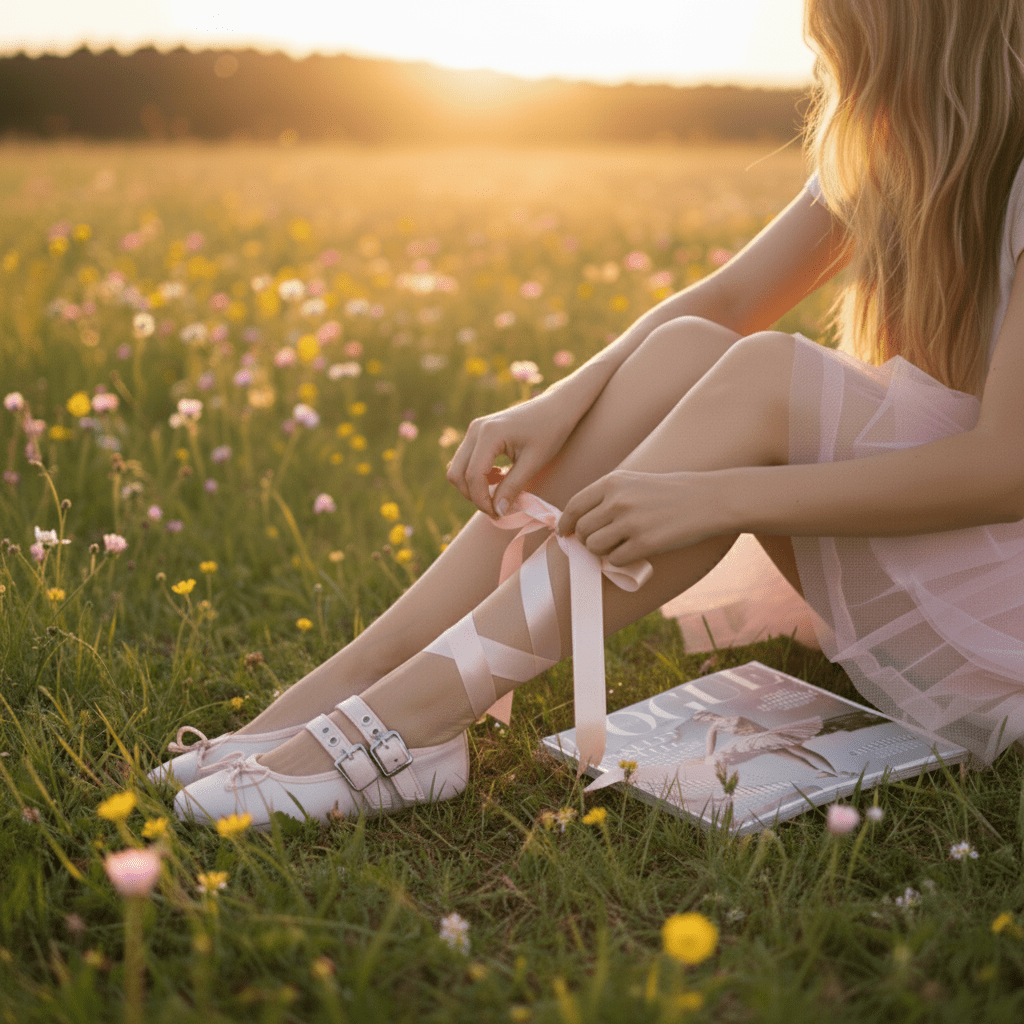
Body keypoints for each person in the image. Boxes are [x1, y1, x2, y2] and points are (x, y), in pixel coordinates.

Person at [159, 0, 1024, 827]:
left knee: (766, 374)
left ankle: (418, 713)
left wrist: (724, 498)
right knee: (693, 345)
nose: (826, 44)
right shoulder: (891, 142)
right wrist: (559, 400)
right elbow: (727, 299)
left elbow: (1005, 468)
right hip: (960, 579)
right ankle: (357, 683)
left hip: (1004, 639)